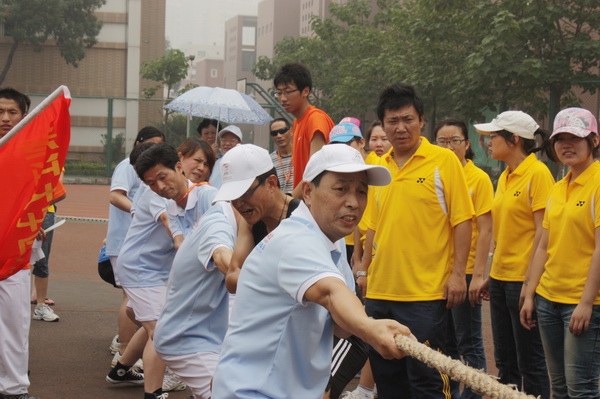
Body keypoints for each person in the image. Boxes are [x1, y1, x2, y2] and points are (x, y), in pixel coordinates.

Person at [211, 144, 411, 399]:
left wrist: (364, 325)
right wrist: (369, 328)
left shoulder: (326, 240)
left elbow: (339, 324)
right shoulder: (296, 240)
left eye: (362, 191)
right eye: (341, 189)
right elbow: (329, 292)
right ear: (307, 191)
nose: (353, 202)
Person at [355, 83, 474, 398]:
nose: (400, 127)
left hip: (425, 294)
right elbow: (374, 227)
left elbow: (462, 221)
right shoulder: (378, 168)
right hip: (381, 293)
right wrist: (364, 270)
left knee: (428, 380)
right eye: (392, 121)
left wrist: (458, 274)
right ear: (383, 125)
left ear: (422, 120)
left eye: (407, 119)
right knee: (388, 378)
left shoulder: (443, 161)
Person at [108, 143, 215, 399]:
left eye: (204, 162)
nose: (158, 185)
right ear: (181, 160)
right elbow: (172, 227)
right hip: (140, 269)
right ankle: (153, 392)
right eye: (195, 160)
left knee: (154, 325)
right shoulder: (164, 197)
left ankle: (121, 368)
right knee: (161, 331)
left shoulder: (200, 195)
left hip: (156, 269)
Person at [520, 107, 600, 398]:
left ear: (594, 140)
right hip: (548, 300)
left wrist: (587, 303)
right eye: (560, 138)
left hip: (581, 304)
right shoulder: (558, 187)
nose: (567, 145)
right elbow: (544, 244)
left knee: (582, 389)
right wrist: (530, 293)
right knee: (560, 388)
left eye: (576, 138)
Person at [474, 110, 553, 398]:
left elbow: (543, 234)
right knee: (506, 362)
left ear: (515, 139)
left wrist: (530, 287)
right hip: (500, 280)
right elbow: (506, 232)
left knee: (530, 362)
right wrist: (490, 275)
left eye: (493, 136)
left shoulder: (538, 174)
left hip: (524, 282)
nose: (488, 142)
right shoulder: (505, 176)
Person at [153, 200, 238, 399]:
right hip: (187, 338)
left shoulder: (219, 211)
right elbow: (220, 255)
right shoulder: (218, 225)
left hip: (200, 332)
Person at [434, 118, 493, 399]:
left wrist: (478, 275)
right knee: (446, 342)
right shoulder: (438, 175)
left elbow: (484, 232)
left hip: (466, 272)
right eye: (442, 141)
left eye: (454, 141)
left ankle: (473, 394)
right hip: (439, 271)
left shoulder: (478, 179)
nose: (448, 146)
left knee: (469, 340)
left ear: (467, 144)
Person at [106, 127, 165, 361]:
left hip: (137, 244)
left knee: (138, 305)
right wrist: (138, 211)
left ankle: (128, 355)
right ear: (137, 143)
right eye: (147, 144)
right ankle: (123, 348)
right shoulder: (128, 166)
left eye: (158, 146)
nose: (151, 150)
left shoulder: (150, 172)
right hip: (125, 242)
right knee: (129, 300)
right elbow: (115, 195)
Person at [0, 87, 42, 399]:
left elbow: (43, 196)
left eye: (12, 112)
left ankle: (14, 388)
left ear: (24, 115)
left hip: (14, 253)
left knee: (14, 323)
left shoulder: (33, 153)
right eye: (0, 112)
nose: (5, 118)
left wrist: (35, 223)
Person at [273, 63, 334, 198]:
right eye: (279, 92)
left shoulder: (315, 120)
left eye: (288, 92)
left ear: (305, 91)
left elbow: (316, 170)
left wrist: (288, 201)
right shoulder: (296, 123)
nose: (282, 98)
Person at [31, 169, 66, 322]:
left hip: (44, 214)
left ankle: (40, 306)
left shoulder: (50, 161)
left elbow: (60, 191)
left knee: (41, 259)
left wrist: (34, 206)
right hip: (17, 214)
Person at [268, 117, 294, 194]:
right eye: (274, 133)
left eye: (282, 131)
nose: (279, 136)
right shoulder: (269, 160)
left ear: (291, 131)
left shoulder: (302, 155)